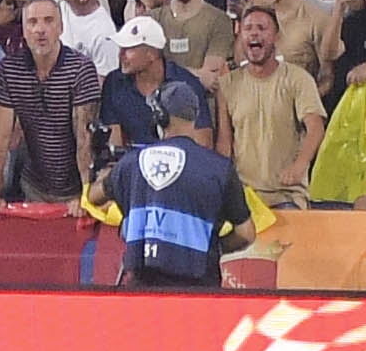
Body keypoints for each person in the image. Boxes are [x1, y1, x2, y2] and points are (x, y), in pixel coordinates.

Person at [99, 121, 259, 286]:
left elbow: (93, 197)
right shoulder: (219, 168)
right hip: (200, 291)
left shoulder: (130, 162)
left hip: (143, 289)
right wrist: (212, 246)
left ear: (160, 118)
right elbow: (246, 233)